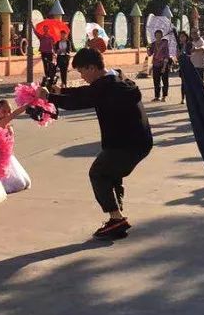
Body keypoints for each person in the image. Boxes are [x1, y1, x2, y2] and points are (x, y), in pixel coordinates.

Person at [46, 48, 153, 239]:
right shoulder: (116, 78)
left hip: (126, 144)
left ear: (92, 68)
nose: (82, 76)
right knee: (111, 173)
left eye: (82, 71)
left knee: (98, 173)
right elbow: (88, 92)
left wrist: (48, 97)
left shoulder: (107, 87)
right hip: (138, 141)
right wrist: (61, 91)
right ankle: (117, 216)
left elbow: (80, 102)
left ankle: (116, 218)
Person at [0, 99, 33, 193]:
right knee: (18, 184)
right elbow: (15, 113)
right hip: (1, 158)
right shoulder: (0, 123)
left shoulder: (7, 124)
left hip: (9, 156)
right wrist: (28, 104)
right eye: (4, 111)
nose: (7, 114)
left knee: (24, 182)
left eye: (9, 111)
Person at [148, 29, 172, 102]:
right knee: (156, 81)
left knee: (165, 81)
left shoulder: (165, 44)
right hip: (155, 64)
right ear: (155, 36)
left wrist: (164, 67)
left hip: (164, 64)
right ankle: (157, 96)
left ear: (161, 36)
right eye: (156, 35)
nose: (158, 36)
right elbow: (149, 54)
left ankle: (164, 96)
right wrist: (148, 48)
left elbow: (166, 55)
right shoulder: (153, 44)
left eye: (159, 35)